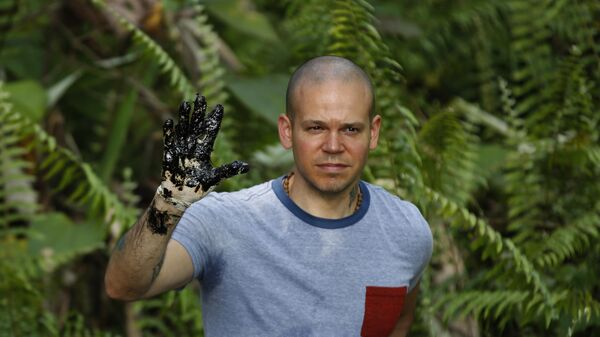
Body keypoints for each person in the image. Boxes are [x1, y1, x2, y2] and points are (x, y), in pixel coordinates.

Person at [105, 55, 433, 337]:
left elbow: (398, 323)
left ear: (373, 132)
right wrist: (168, 203)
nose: (333, 146)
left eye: (350, 129)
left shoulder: (406, 230)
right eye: (316, 128)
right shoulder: (224, 221)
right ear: (287, 132)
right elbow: (123, 285)